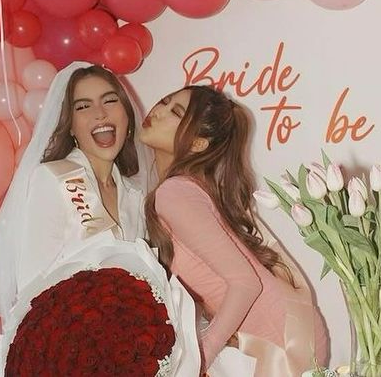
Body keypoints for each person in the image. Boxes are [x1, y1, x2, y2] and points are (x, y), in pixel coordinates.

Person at [140, 85, 329, 376]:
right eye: (164, 102)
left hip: (279, 343)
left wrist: (202, 357)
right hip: (286, 331)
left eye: (175, 112)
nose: (158, 111)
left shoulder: (174, 192)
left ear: (198, 144)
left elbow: (245, 282)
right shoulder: (189, 186)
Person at [0, 62, 155, 320]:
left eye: (110, 101)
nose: (100, 114)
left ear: (127, 116)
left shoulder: (135, 195)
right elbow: (32, 285)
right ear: (71, 126)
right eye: (83, 106)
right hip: (61, 329)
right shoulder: (53, 179)